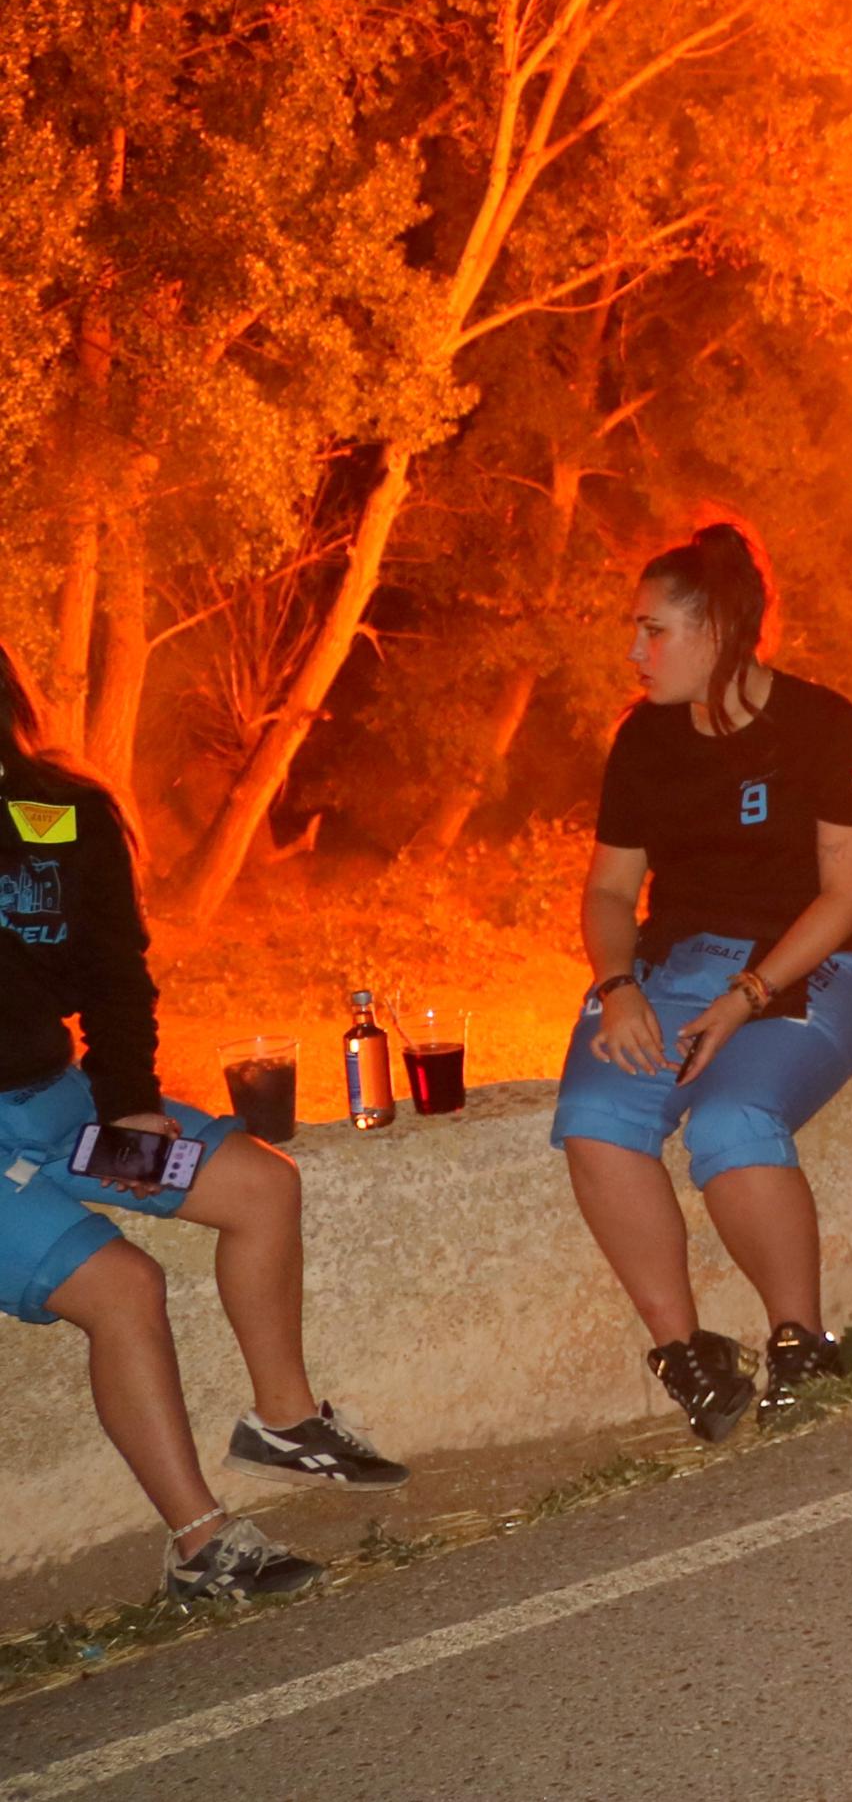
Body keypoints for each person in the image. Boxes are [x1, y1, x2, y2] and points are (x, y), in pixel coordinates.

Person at [4, 644, 407, 1604]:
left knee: (261, 1184)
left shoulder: (57, 813)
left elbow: (113, 971)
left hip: (66, 1113)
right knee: (124, 1284)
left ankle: (283, 1420)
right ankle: (199, 1544)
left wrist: (131, 1094)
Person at [559, 522, 852, 1438]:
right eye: (635, 628)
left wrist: (746, 997)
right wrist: (619, 982)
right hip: (674, 966)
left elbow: (843, 895)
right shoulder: (644, 741)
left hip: (813, 963)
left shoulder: (826, 726)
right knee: (595, 1121)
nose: (635, 650)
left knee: (729, 1119)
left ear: (718, 629)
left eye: (654, 629)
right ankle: (689, 1354)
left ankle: (802, 1340)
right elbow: (609, 888)